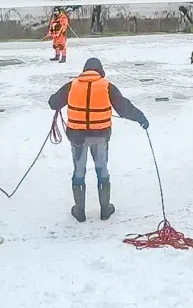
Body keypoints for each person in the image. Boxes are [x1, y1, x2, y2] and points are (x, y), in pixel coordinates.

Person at [48, 57, 148, 222]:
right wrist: (141, 118)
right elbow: (124, 108)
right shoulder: (107, 86)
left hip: (77, 136)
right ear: (100, 71)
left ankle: (79, 211)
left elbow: (53, 103)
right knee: (102, 169)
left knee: (79, 171)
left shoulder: (72, 85)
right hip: (100, 136)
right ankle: (105, 209)